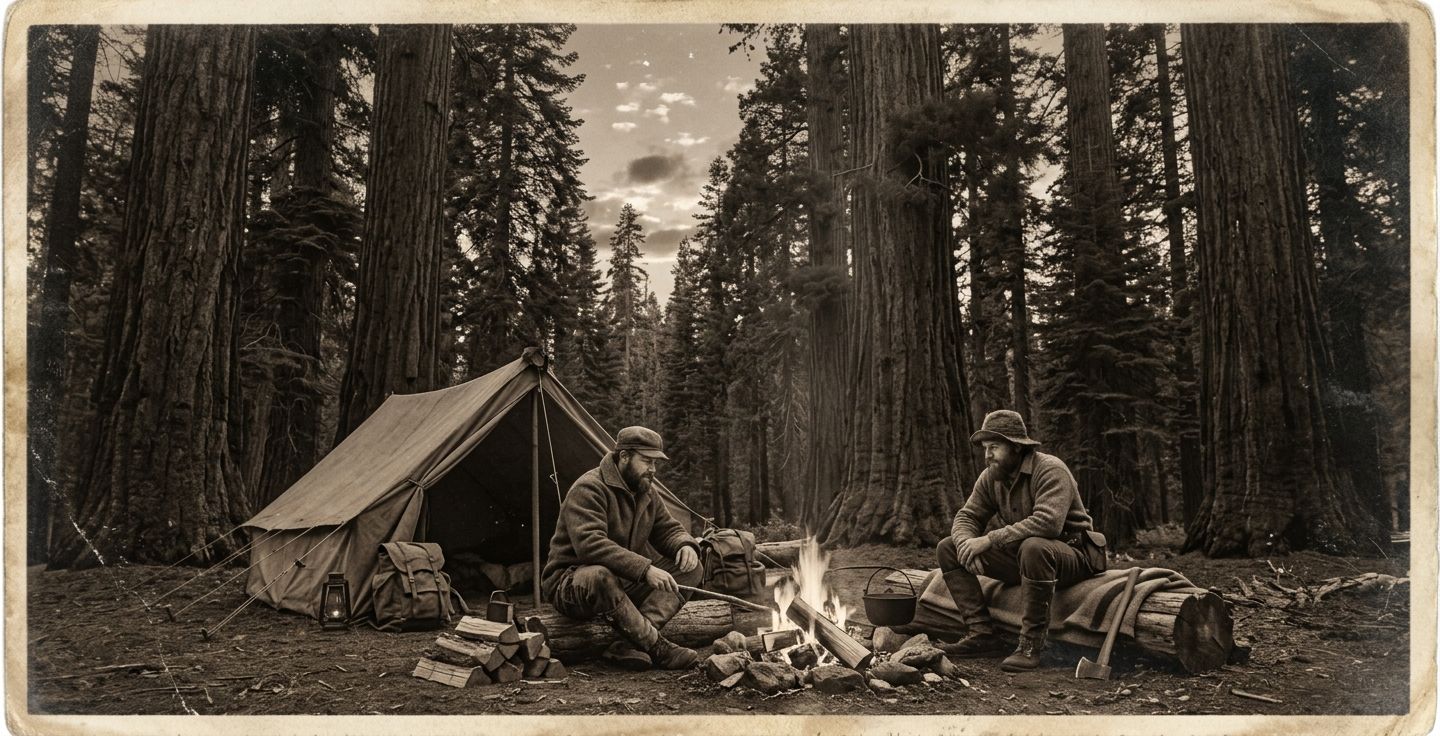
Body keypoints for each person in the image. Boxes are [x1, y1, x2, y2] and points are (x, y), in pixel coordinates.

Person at [935, 410, 1107, 672]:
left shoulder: (1050, 469)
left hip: (1074, 556)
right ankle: (981, 634)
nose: (987, 455)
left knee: (1034, 546)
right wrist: (965, 544)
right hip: (1026, 558)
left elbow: (1048, 523)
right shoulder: (991, 476)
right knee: (948, 548)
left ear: (1016, 446)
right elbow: (967, 516)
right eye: (985, 448)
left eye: (994, 447)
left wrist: (989, 539)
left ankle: (1030, 645)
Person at [540, 426, 703, 670]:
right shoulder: (589, 488)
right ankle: (657, 647)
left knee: (691, 568)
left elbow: (668, 529)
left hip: (622, 581)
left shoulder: (646, 491)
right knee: (599, 575)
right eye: (646, 461)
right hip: (572, 584)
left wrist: (685, 545)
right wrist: (645, 570)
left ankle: (629, 644)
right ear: (624, 456)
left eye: (655, 463)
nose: (653, 469)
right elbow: (590, 545)